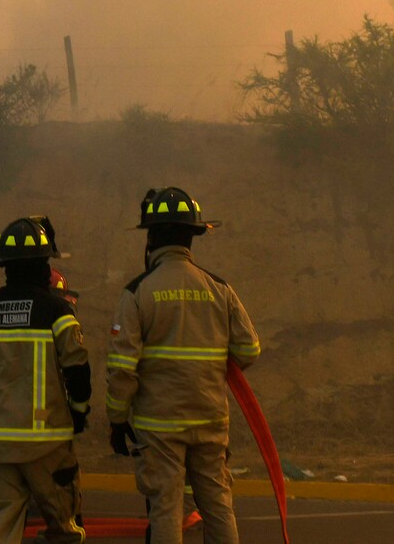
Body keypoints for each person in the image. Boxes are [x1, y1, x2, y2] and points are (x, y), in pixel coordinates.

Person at [105, 187, 261, 544]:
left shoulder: (137, 292)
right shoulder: (220, 289)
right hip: (210, 418)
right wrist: (210, 371)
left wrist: (117, 420)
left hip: (159, 425)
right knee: (218, 504)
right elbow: (249, 349)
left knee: (166, 508)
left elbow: (122, 368)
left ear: (151, 238)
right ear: (194, 234)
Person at [0, 217, 90, 544]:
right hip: (48, 442)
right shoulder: (57, 312)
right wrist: (77, 412)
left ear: (3, 265)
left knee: (2, 529)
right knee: (64, 530)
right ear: (45, 265)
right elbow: (77, 370)